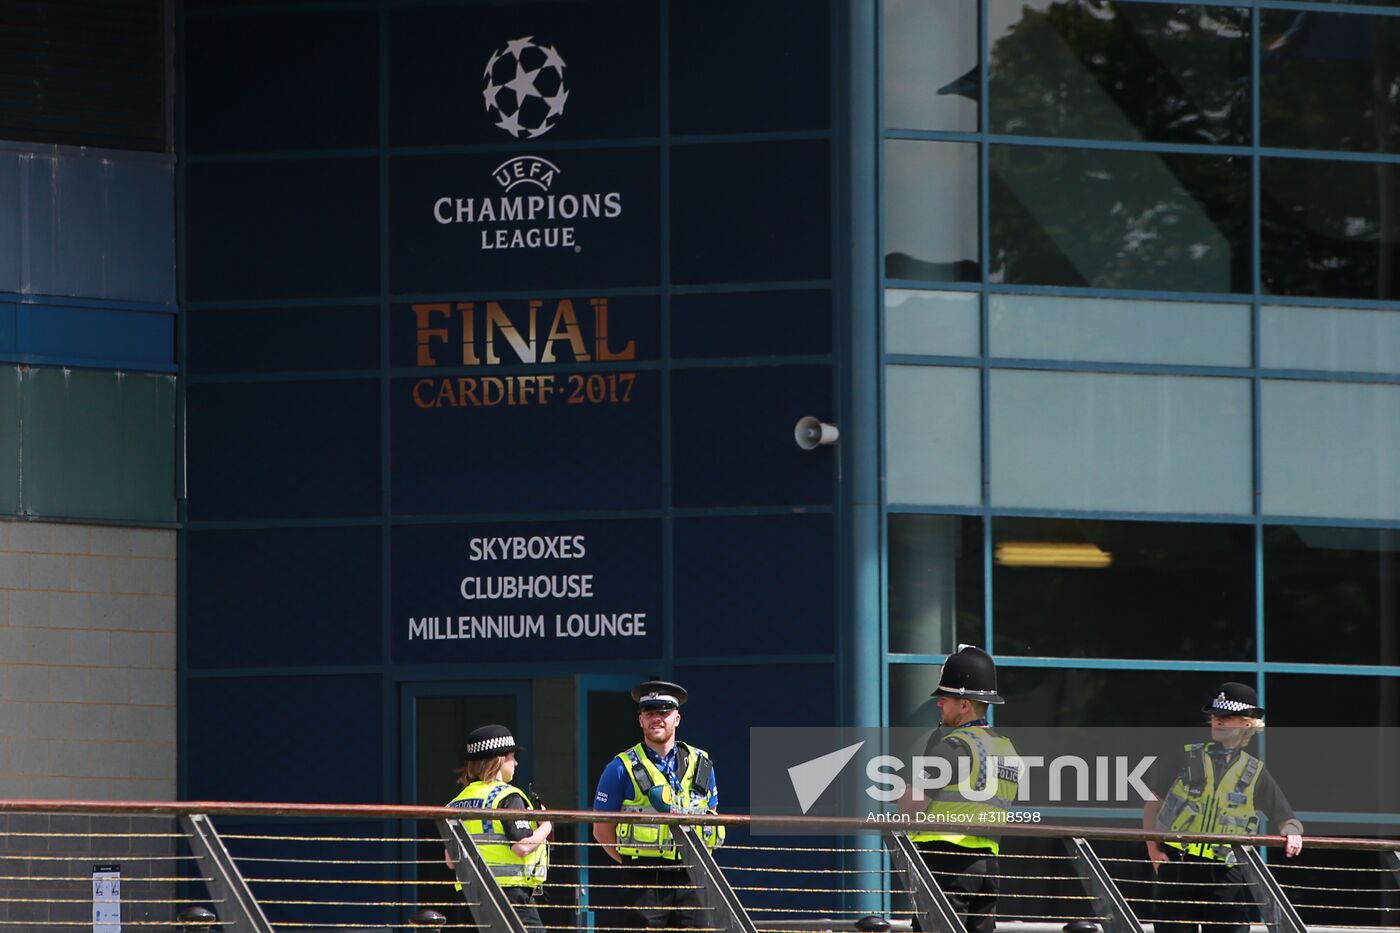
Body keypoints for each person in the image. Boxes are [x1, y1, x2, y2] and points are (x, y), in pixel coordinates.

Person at [1143, 682, 1304, 933]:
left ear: (1247, 723)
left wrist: (1292, 832)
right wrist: (1154, 851)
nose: (1217, 722)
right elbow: (1152, 805)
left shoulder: (1255, 772)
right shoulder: (1184, 756)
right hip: (1178, 865)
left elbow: (1285, 817)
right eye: (1216, 716)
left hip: (1225, 873)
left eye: (1227, 717)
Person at [907, 645, 1023, 933]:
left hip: (945, 864)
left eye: (944, 698)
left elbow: (908, 808)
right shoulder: (1007, 751)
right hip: (987, 867)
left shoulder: (951, 748)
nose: (938, 704)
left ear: (964, 704)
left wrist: (926, 755)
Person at [592, 680, 722, 929]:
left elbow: (712, 816)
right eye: (649, 713)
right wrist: (633, 865)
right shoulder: (620, 767)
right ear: (640, 720)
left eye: (664, 712)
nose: (656, 719)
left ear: (677, 719)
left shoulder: (701, 763)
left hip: (691, 877)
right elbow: (601, 830)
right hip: (644, 879)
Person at [445, 724, 552, 933]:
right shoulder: (507, 797)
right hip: (509, 896)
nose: (516, 763)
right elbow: (522, 846)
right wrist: (546, 824)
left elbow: (450, 860)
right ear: (500, 759)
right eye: (512, 757)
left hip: (469, 897)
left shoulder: (456, 803)